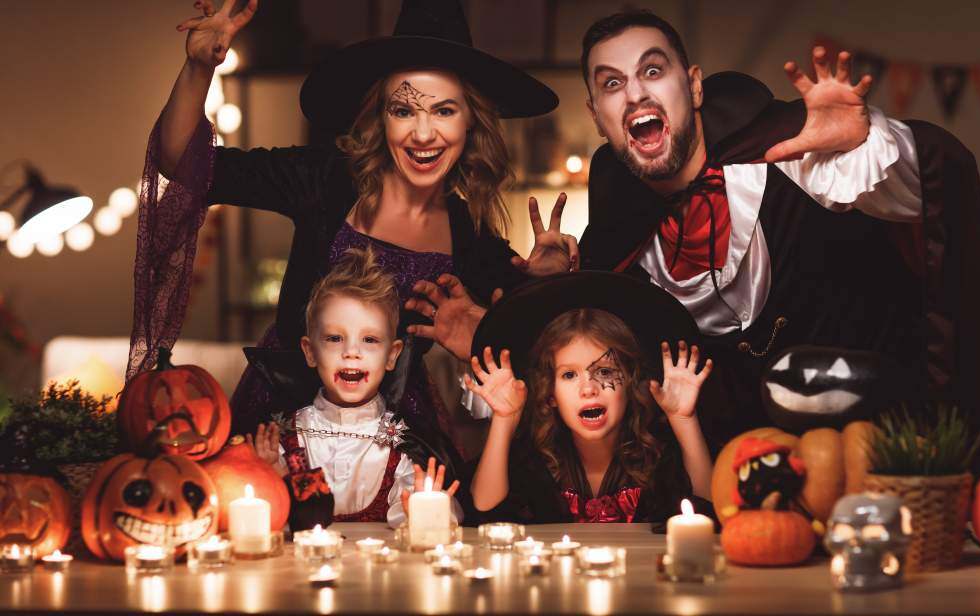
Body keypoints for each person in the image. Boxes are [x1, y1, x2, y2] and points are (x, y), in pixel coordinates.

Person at [128, 0, 575, 464]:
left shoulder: (470, 235)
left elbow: (543, 340)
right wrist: (200, 67)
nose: (423, 134)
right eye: (404, 110)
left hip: (394, 441)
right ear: (381, 118)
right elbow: (183, 164)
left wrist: (546, 279)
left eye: (443, 111)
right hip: (281, 421)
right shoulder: (323, 181)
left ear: (470, 122)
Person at [573, 10, 980, 472]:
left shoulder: (795, 152)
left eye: (652, 70)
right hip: (733, 492)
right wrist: (546, 286)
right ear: (597, 117)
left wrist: (864, 143)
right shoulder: (615, 238)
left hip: (874, 469)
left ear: (695, 86)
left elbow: (925, 192)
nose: (635, 93)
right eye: (611, 83)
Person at [466, 272, 716, 526]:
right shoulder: (533, 461)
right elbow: (484, 511)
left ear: (629, 383)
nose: (588, 389)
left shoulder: (659, 456)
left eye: (605, 372)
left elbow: (710, 510)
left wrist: (684, 419)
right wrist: (504, 419)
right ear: (550, 394)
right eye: (569, 375)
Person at [248, 247, 461, 530]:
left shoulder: (404, 447)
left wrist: (423, 507)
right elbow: (268, 522)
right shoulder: (285, 439)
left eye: (370, 340)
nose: (351, 352)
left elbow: (433, 523)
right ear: (310, 352)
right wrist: (272, 475)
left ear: (392, 355)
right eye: (335, 338)